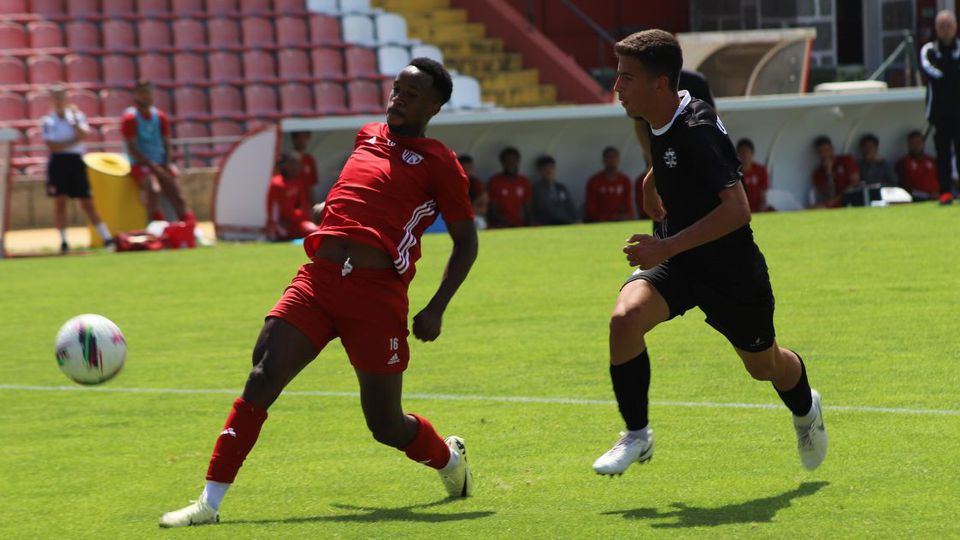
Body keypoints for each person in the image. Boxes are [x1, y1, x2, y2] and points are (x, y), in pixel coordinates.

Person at [159, 58, 478, 527]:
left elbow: (466, 241)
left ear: (434, 106)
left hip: (376, 296)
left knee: (385, 425)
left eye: (411, 95)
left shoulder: (440, 163)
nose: (397, 99)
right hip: (319, 278)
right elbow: (367, 188)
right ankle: (209, 503)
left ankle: (450, 462)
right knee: (263, 375)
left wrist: (437, 306)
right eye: (395, 89)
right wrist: (330, 206)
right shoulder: (367, 134)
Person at [592, 30, 826, 478]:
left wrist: (664, 245)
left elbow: (738, 210)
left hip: (731, 273)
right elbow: (670, 153)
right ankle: (637, 435)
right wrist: (650, 182)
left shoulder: (696, 129)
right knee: (624, 320)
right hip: (682, 262)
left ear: (660, 84)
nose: (617, 88)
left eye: (626, 78)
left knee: (765, 366)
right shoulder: (658, 114)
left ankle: (805, 410)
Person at [41, 84, 114, 253]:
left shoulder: (76, 116)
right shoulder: (48, 121)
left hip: (75, 161)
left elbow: (83, 134)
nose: (59, 101)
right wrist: (73, 142)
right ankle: (64, 241)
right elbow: (52, 146)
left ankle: (107, 238)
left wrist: (72, 128)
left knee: (87, 202)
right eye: (56, 97)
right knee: (60, 201)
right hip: (58, 163)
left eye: (61, 97)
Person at [121, 80, 195, 224]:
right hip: (141, 164)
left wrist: (166, 163)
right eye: (142, 93)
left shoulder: (160, 117)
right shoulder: (130, 118)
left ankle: (188, 225)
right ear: (136, 95)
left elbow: (167, 143)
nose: (146, 97)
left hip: (160, 162)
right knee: (153, 190)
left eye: (148, 93)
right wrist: (153, 166)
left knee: (176, 193)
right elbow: (132, 148)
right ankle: (156, 225)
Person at [920, 10, 960, 205]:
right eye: (942, 26)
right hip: (939, 112)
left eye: (948, 26)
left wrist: (949, 70)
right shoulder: (928, 50)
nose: (945, 30)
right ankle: (945, 192)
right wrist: (949, 70)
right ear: (937, 29)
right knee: (942, 153)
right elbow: (932, 72)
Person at [266, 152, 319, 241]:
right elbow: (273, 211)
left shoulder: (298, 183)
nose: (296, 167)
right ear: (284, 165)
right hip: (283, 225)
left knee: (316, 230)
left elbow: (303, 205)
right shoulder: (277, 184)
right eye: (293, 163)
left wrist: (303, 218)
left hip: (297, 223)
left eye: (298, 163)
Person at [486, 147, 532, 228]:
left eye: (514, 160)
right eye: (508, 160)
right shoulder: (495, 182)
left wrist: (528, 225)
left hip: (520, 225)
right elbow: (492, 210)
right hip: (501, 226)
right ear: (502, 162)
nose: (511, 163)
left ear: (518, 161)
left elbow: (528, 208)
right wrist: (507, 224)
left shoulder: (524, 181)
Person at [585, 146, 633, 222]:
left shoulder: (625, 180)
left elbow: (629, 207)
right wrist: (609, 218)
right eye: (609, 157)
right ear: (603, 160)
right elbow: (591, 210)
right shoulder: (594, 181)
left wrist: (624, 216)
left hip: (620, 220)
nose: (612, 160)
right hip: (601, 221)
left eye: (614, 157)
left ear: (618, 160)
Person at [812, 135, 860, 208]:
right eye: (821, 152)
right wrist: (829, 173)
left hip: (852, 198)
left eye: (827, 150)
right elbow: (830, 194)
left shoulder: (846, 160)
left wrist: (838, 198)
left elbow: (855, 182)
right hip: (834, 202)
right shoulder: (818, 173)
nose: (825, 154)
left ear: (832, 149)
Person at [531, 155, 578, 225]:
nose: (548, 171)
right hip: (547, 224)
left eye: (551, 168)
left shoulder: (561, 187)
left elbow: (571, 205)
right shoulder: (536, 189)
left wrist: (577, 219)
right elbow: (545, 207)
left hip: (566, 223)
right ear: (539, 171)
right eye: (545, 169)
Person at [897, 130, 939, 201]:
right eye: (913, 143)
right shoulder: (903, 163)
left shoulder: (932, 161)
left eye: (918, 142)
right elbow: (903, 187)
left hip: (936, 196)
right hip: (916, 197)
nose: (916, 146)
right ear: (908, 145)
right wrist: (926, 196)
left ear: (923, 143)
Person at [736, 138, 770, 212]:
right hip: (741, 211)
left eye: (747, 152)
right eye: (742, 152)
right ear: (737, 155)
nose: (744, 156)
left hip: (757, 210)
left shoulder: (761, 170)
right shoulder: (734, 173)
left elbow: (763, 195)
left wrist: (761, 211)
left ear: (752, 154)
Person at [458, 154, 488, 229]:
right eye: (465, 168)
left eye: (470, 168)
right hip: (455, 218)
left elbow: (483, 208)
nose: (468, 171)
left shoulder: (476, 183)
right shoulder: (452, 184)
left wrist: (468, 210)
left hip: (473, 217)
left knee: (480, 223)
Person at [291, 130, 318, 213]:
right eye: (300, 137)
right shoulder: (287, 160)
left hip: (305, 207)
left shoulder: (309, 160)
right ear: (294, 138)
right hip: (291, 206)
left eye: (306, 137)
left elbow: (311, 186)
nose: (303, 140)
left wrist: (313, 207)